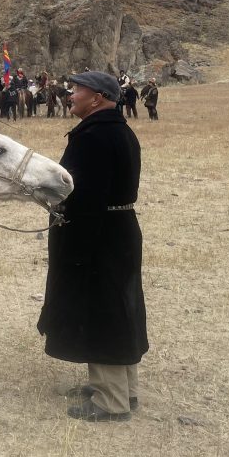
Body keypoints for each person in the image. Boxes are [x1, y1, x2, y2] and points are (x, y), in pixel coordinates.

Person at [38, 70, 148, 423]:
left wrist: (71, 239)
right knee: (120, 307)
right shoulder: (118, 130)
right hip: (117, 229)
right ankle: (125, 389)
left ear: (97, 98)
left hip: (96, 233)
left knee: (102, 311)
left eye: (77, 90)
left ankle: (111, 400)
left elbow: (83, 196)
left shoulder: (94, 136)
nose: (70, 95)